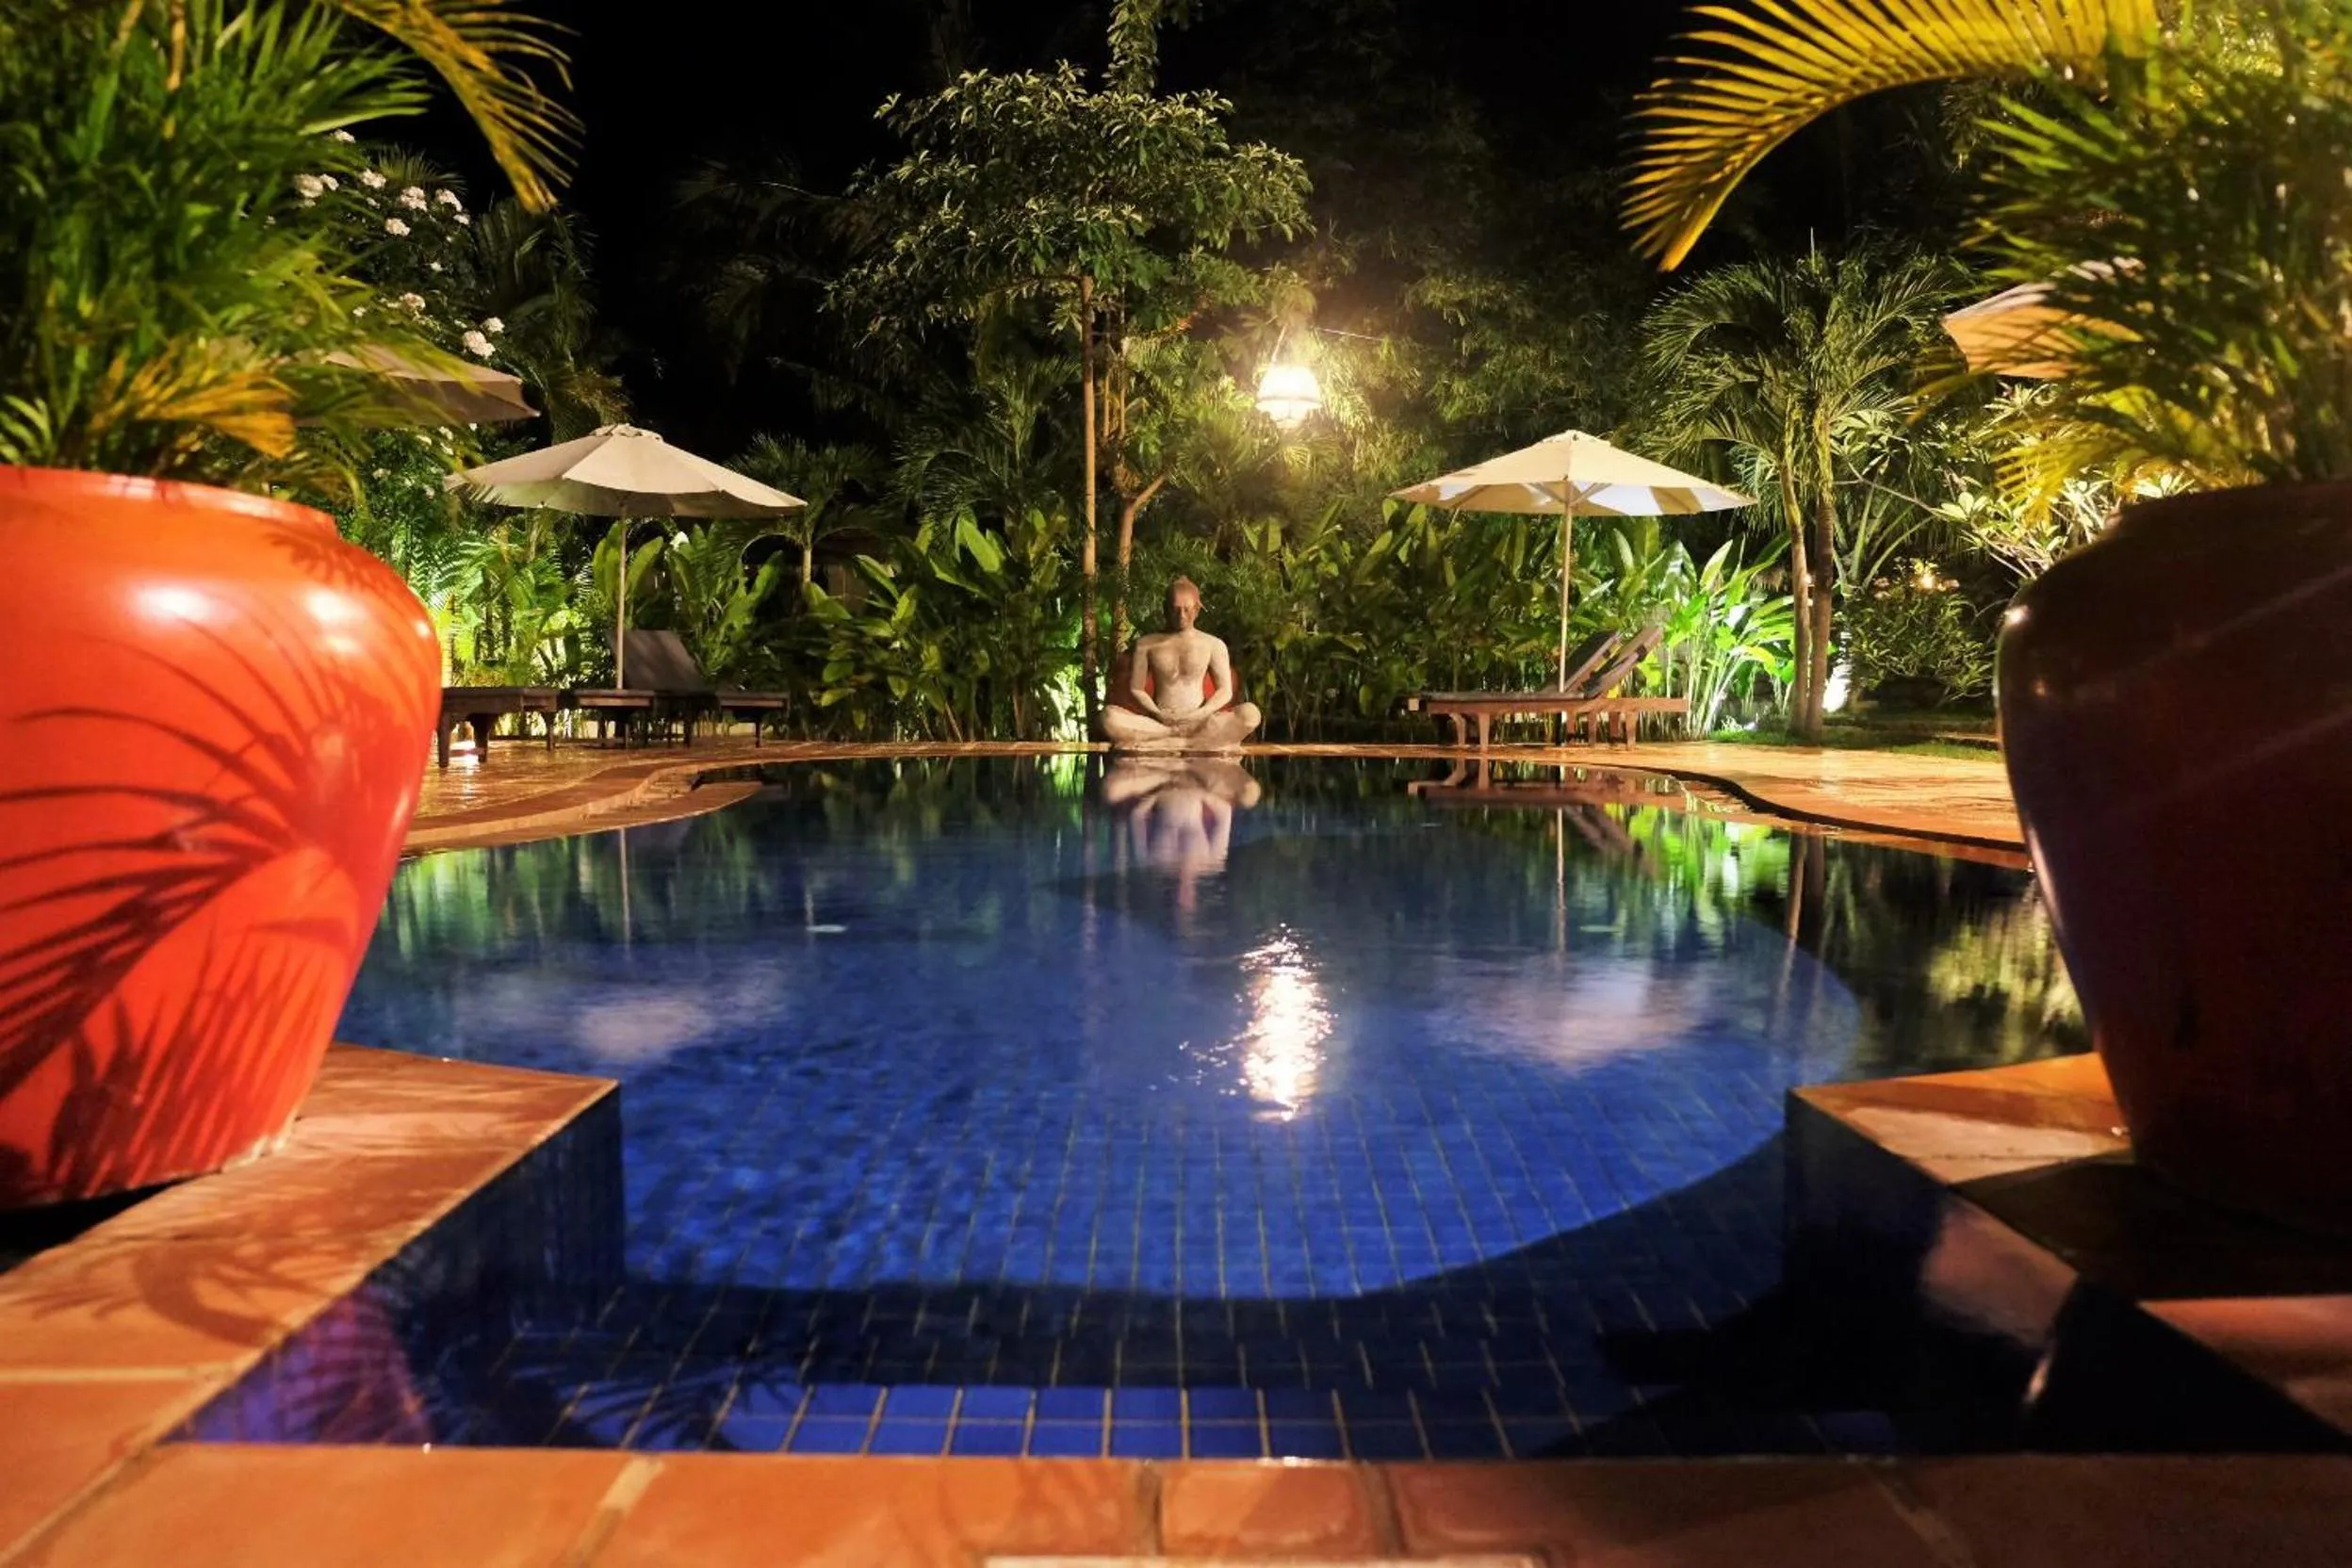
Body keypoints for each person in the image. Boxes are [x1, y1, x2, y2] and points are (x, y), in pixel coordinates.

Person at [1100, 576, 1262, 752]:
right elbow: (1136, 689)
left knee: (1250, 714)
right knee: (1108, 717)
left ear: (1197, 610)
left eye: (1187, 609)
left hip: (1201, 723)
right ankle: (1183, 741)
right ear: (1165, 609)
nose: (1181, 616)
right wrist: (1158, 714)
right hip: (1160, 723)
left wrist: (1198, 715)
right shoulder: (1146, 644)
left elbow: (1225, 691)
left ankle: (1167, 743)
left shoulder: (1213, 644)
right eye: (1175, 610)